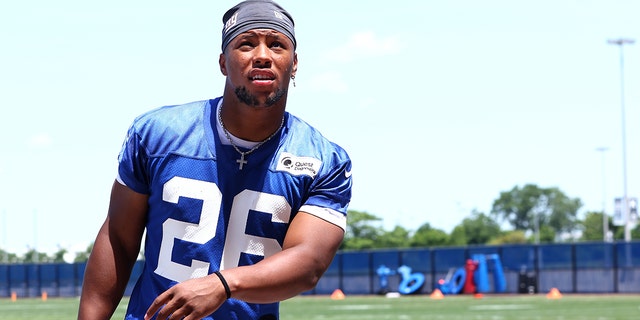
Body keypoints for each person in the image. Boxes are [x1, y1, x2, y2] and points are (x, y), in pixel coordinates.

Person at [77, 0, 353, 319]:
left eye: (277, 45)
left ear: (294, 64)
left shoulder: (324, 160)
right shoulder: (157, 134)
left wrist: (223, 284)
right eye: (246, 44)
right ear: (224, 62)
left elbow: (308, 262)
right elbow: (119, 240)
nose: (262, 55)